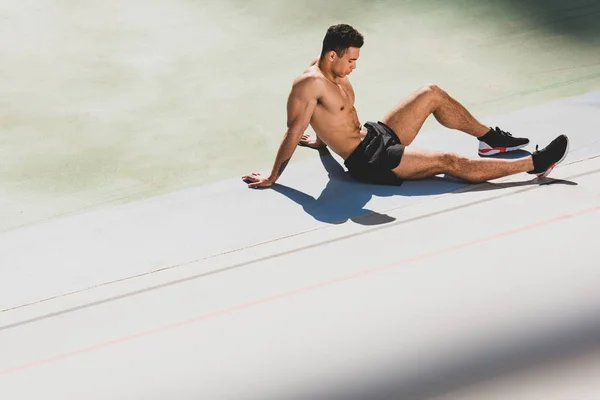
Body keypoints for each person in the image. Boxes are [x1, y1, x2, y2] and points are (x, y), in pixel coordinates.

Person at [242, 24, 569, 188]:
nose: (355, 66)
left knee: (431, 93)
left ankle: (490, 139)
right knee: (447, 160)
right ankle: (534, 164)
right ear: (333, 55)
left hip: (374, 135)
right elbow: (294, 127)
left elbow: (328, 114)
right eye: (351, 60)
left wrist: (321, 140)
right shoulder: (308, 84)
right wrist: (273, 176)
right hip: (370, 160)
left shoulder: (326, 66)